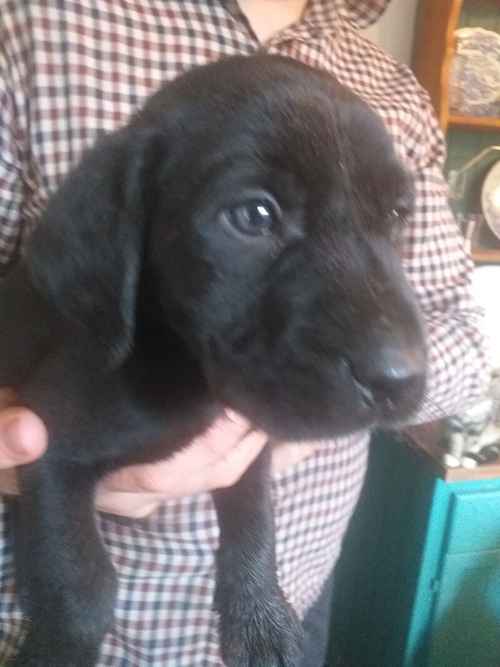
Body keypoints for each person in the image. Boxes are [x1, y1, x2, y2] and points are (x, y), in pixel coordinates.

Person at [0, 1, 489, 665]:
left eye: (389, 213)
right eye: (254, 215)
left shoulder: (389, 83)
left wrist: (283, 435)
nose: (389, 353)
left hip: (290, 599)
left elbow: (461, 335)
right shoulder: (32, 28)